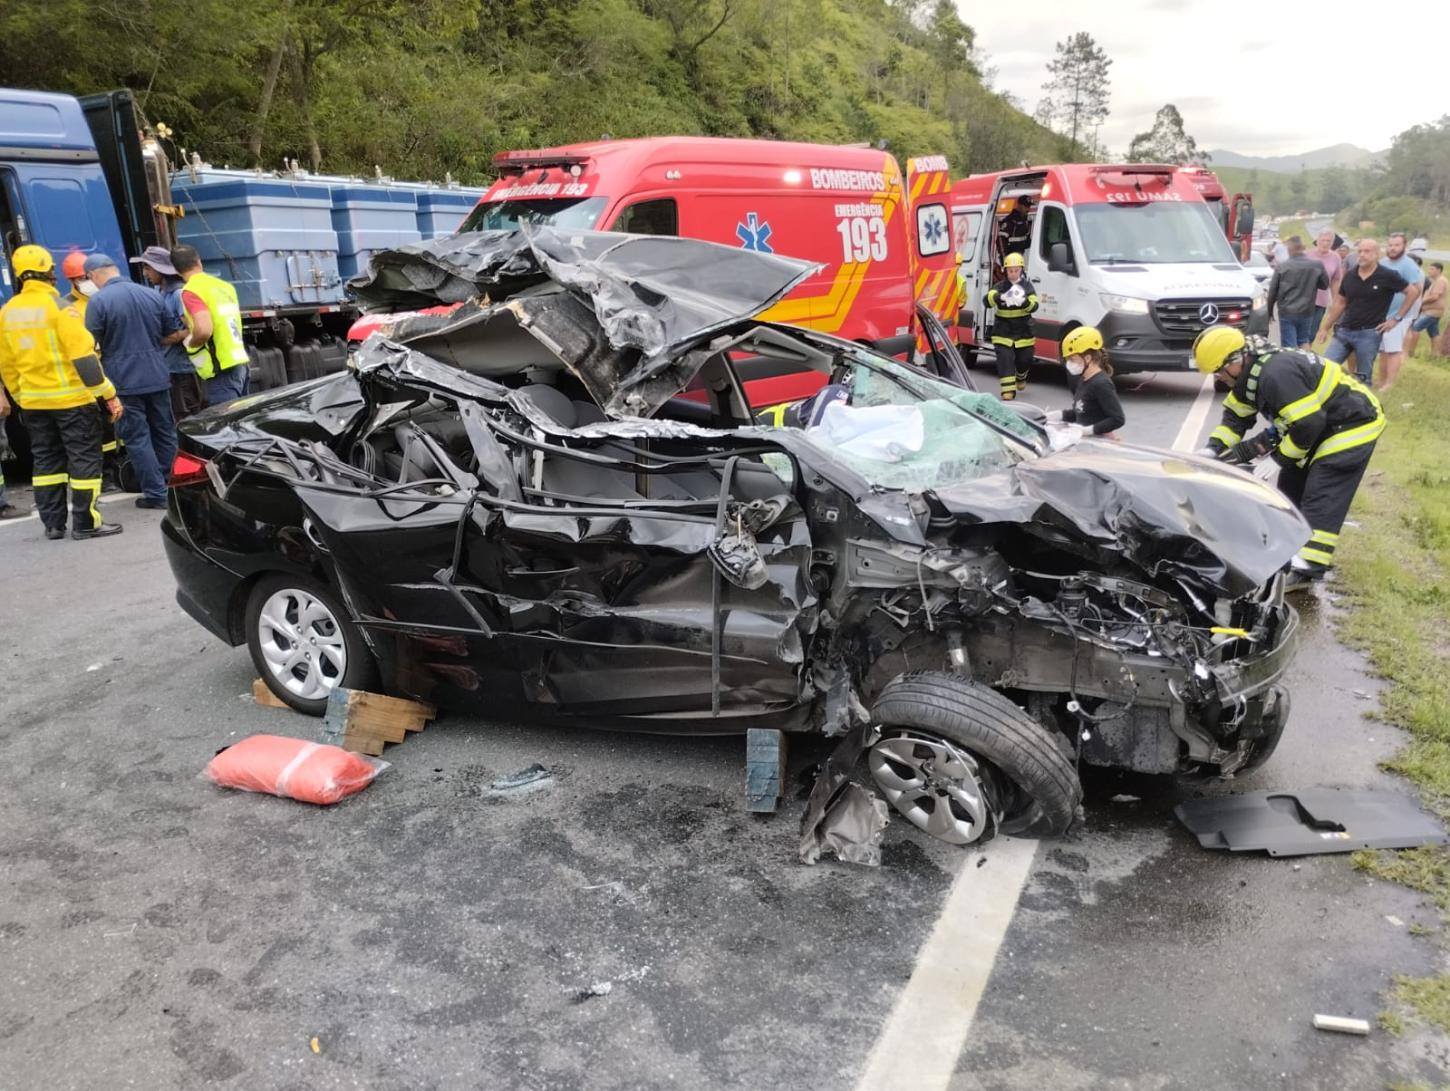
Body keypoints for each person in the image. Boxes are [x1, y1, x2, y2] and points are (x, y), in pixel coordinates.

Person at [1195, 325, 1385, 592]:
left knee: (1322, 492)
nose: (1218, 377)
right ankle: (1289, 553)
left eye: (1218, 370)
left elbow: (1309, 423)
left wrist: (1278, 459)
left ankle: (1309, 567)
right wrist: (1213, 449)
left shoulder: (1275, 374)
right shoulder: (1249, 375)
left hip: (1353, 424)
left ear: (1236, 360)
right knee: (1289, 490)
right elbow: (1236, 417)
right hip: (1321, 426)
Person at [0, 245, 123, 540]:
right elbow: (84, 358)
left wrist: (21, 396)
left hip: (32, 402)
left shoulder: (7, 312)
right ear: (49, 274)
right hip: (72, 401)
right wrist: (108, 394)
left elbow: (7, 364)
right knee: (84, 459)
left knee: (46, 461)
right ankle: (86, 523)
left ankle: (53, 525)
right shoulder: (60, 308)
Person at [82, 252, 181, 509]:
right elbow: (170, 333)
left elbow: (87, 343)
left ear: (93, 275)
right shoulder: (151, 294)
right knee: (164, 432)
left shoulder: (98, 302)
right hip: (158, 375)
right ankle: (176, 489)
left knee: (137, 437)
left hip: (123, 380)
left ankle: (156, 494)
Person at [1318, 239, 1411, 385]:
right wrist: (1325, 328)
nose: (1362, 255)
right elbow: (1340, 303)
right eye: (1359, 251)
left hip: (1369, 333)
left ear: (1377, 254)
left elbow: (1412, 292)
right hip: (1344, 330)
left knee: (1363, 378)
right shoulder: (1350, 275)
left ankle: (1361, 405)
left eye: (1366, 251)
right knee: (1324, 368)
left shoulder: (1388, 275)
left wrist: (1396, 319)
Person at [170, 244, 250, 405]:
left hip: (220, 368)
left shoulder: (191, 291)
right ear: (199, 262)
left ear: (176, 270)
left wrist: (191, 343)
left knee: (225, 424)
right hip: (239, 361)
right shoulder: (224, 287)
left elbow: (204, 329)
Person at [131, 246, 205, 418]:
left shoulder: (179, 294)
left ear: (160, 269)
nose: (144, 273)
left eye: (148, 268)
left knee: (188, 417)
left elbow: (195, 328)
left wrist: (171, 337)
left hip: (183, 371)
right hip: (167, 369)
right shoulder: (158, 292)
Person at [1046, 326, 1124, 437]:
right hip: (1084, 442)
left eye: (1072, 359)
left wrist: (1087, 430)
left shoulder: (1101, 384)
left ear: (1087, 358)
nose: (1069, 363)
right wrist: (1059, 415)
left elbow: (1117, 419)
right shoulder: (1084, 379)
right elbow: (1081, 411)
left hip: (1097, 445)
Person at [1375, 232, 1424, 391]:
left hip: (1399, 316)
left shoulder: (1408, 264)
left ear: (1404, 246)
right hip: (1382, 314)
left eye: (1396, 245)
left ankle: (1389, 384)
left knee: (1393, 349)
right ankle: (1381, 382)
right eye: (1390, 245)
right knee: (1382, 350)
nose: (1393, 248)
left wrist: (1399, 316)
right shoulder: (1382, 262)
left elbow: (1416, 291)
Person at [985, 251, 1037, 400]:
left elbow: (1035, 305)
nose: (1013, 274)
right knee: (1005, 360)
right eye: (1010, 271)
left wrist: (1025, 302)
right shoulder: (1000, 286)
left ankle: (1021, 377)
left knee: (1024, 360)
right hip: (1003, 331)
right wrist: (997, 297)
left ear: (1021, 270)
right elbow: (986, 301)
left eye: (1016, 270)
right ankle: (1007, 391)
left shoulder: (1027, 287)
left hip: (1024, 331)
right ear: (1005, 271)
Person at [1265, 236, 1329, 349]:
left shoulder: (1282, 266)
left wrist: (1269, 312)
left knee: (1289, 345)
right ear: (1303, 247)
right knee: (1304, 341)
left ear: (1289, 249)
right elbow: (1324, 285)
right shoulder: (1317, 265)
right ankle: (1305, 364)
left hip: (1287, 311)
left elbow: (1272, 292)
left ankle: (1292, 365)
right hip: (1307, 310)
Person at [1307, 230, 1343, 340]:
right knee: (1301, 333)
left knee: (1311, 334)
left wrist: (1335, 301)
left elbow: (1335, 281)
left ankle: (1305, 355)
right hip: (1303, 300)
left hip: (1320, 301)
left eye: (1328, 241)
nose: (1325, 243)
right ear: (1317, 241)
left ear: (1332, 243)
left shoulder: (1336, 257)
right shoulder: (1306, 255)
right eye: (1323, 240)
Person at [1407, 261, 1445, 357]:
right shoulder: (1436, 281)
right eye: (1429, 268)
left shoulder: (1441, 281)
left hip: (1432, 312)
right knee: (1434, 333)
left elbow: (1435, 297)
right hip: (1432, 311)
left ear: (1439, 270)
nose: (1429, 271)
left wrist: (1421, 302)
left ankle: (1410, 352)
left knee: (1415, 328)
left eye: (1432, 269)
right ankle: (1435, 355)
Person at [61, 250, 97, 317]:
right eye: (82, 279)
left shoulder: (105, 299)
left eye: (88, 276)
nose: (88, 281)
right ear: (71, 280)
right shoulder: (65, 307)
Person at [999, 196, 1032, 260]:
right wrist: (1005, 258)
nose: (1028, 209)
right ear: (1019, 205)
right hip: (1011, 259)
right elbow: (1000, 240)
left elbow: (1027, 241)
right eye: (1025, 206)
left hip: (1022, 257)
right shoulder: (1010, 221)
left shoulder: (1026, 221)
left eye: (1029, 206)